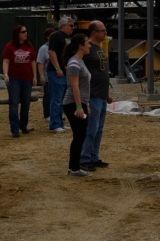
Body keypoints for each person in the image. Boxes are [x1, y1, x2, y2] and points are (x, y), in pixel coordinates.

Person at [80, 21, 113, 171]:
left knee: (99, 129)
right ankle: (84, 158)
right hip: (92, 95)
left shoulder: (100, 48)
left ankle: (94, 156)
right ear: (94, 32)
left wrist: (107, 93)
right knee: (91, 129)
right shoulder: (87, 48)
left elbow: (102, 72)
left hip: (101, 94)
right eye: (103, 30)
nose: (105, 33)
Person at [61, 33, 92, 177]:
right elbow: (75, 87)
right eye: (87, 43)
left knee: (80, 135)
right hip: (73, 103)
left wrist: (86, 105)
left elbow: (84, 87)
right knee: (79, 136)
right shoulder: (74, 63)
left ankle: (73, 167)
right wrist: (79, 107)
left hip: (79, 103)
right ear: (80, 46)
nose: (89, 45)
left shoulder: (80, 61)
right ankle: (74, 169)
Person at [1, 24, 37, 137]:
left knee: (26, 103)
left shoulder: (29, 45)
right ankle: (15, 129)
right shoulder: (9, 46)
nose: (26, 33)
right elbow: (6, 61)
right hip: (14, 78)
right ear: (17, 34)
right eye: (23, 32)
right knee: (14, 103)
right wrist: (6, 75)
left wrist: (35, 76)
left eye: (26, 31)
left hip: (27, 79)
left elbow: (32, 62)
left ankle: (23, 125)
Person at [47, 17, 75, 132]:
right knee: (57, 98)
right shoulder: (56, 35)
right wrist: (58, 68)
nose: (72, 28)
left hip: (64, 71)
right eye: (71, 25)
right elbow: (51, 51)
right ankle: (54, 124)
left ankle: (60, 121)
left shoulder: (66, 38)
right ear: (63, 26)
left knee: (63, 98)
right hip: (55, 72)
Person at [37, 28, 55, 120]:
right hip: (48, 77)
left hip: (57, 77)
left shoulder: (58, 46)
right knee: (47, 95)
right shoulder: (43, 49)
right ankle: (47, 114)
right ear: (47, 37)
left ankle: (56, 114)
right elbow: (40, 63)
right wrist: (42, 76)